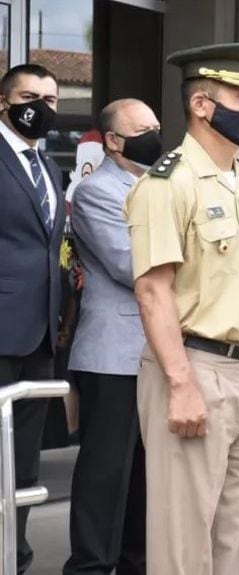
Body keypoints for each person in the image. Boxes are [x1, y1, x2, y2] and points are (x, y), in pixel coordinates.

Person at [125, 43, 239, 575]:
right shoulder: (166, 184)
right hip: (194, 368)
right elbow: (153, 292)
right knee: (183, 541)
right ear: (201, 104)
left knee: (235, 536)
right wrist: (180, 384)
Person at [63, 98, 160, 575]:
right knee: (106, 471)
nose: (154, 135)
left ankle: (133, 563)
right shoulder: (98, 191)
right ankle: (90, 566)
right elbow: (131, 264)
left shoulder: (158, 187)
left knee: (146, 471)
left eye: (156, 127)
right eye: (142, 129)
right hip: (113, 353)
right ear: (114, 141)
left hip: (157, 353)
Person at [0, 63, 64, 574]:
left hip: (39, 333)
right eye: (30, 96)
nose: (40, 107)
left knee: (23, 460)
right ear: (5, 101)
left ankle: (14, 556)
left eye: (51, 98)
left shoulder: (50, 168)